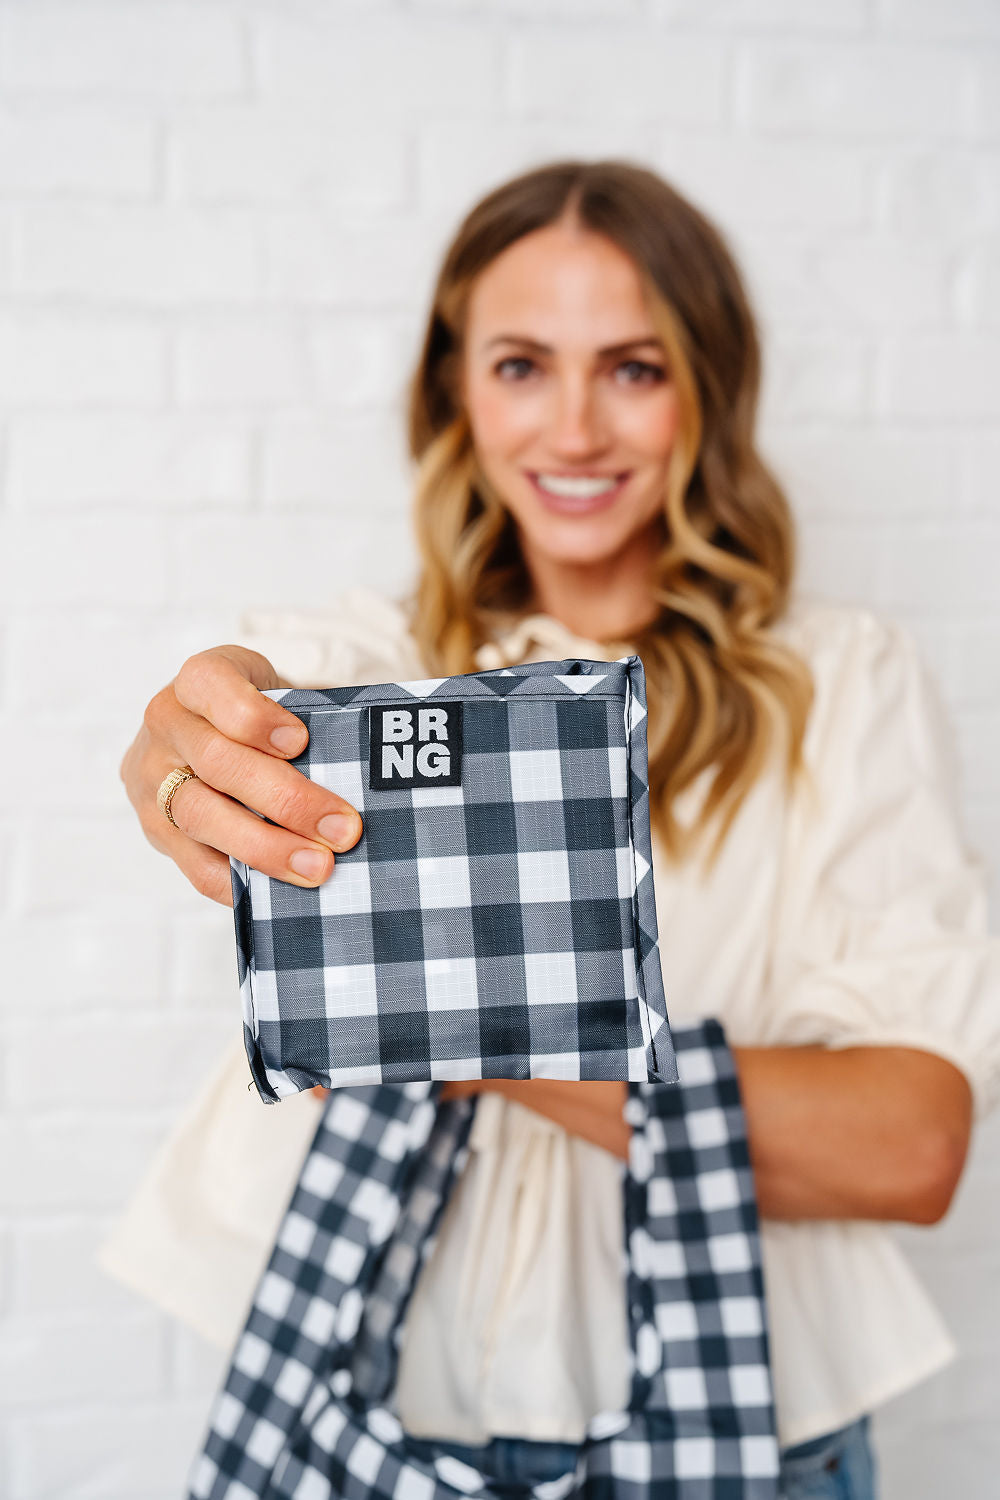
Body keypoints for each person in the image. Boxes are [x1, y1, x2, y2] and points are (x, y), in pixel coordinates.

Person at [106, 160, 1000, 1499]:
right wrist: (194, 745)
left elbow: (911, 1144)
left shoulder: (844, 684)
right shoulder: (379, 665)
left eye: (634, 368)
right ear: (456, 392)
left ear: (709, 389)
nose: (575, 430)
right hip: (372, 1423)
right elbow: (254, 701)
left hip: (769, 1440)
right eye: (523, 365)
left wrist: (431, 1000)